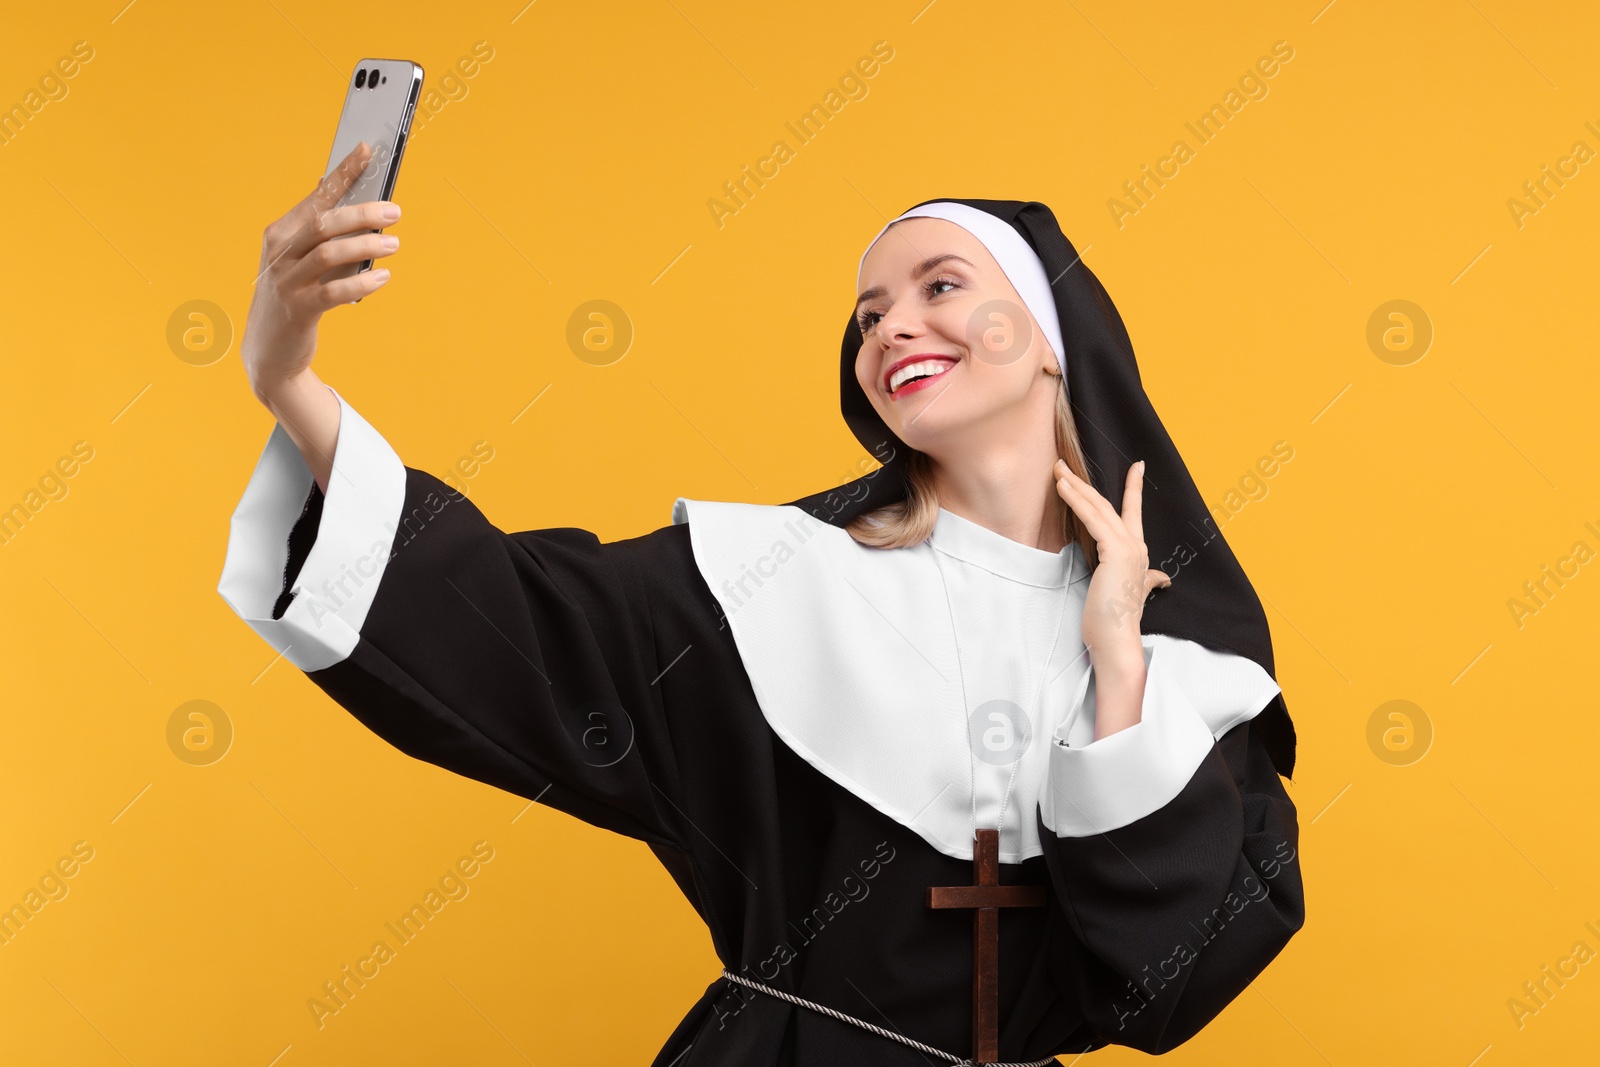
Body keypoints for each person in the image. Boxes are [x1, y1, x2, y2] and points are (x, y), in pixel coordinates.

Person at [218, 143, 1305, 1065]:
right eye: (869, 311)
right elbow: (510, 614)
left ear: (1052, 338)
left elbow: (1169, 986)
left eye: (940, 286)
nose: (889, 327)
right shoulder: (769, 582)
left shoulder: (1175, 666)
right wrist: (289, 378)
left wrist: (1117, 659)